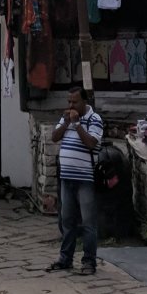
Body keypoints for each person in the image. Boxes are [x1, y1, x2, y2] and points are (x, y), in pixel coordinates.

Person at [47, 86, 103, 277]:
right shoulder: (65, 118)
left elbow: (91, 143)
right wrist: (65, 123)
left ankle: (89, 261)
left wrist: (78, 124)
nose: (71, 105)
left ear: (84, 102)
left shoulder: (94, 119)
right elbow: (54, 137)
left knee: (88, 222)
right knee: (67, 220)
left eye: (75, 102)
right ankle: (65, 259)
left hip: (85, 178)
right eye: (69, 101)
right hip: (66, 177)